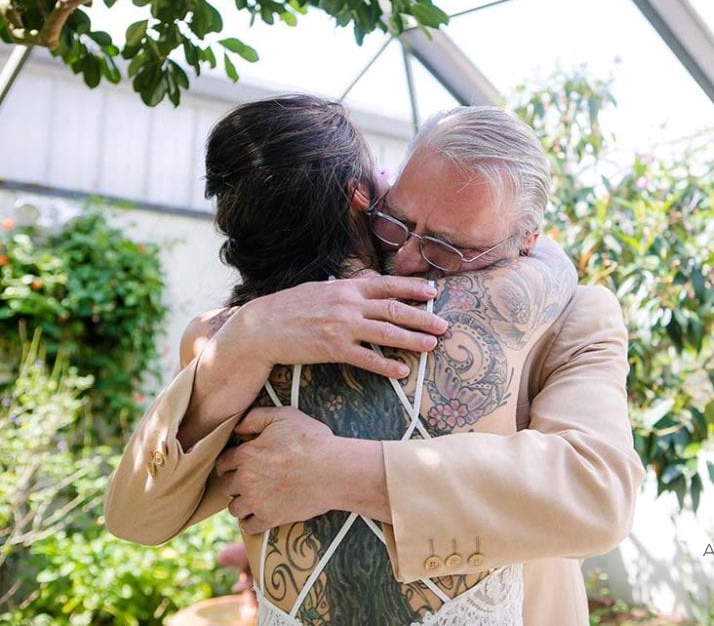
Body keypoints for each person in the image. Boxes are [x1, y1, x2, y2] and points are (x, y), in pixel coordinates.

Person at [105, 100, 644, 625]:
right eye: (396, 221)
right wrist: (249, 336)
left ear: (526, 242)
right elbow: (137, 515)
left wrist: (337, 472)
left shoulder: (575, 315)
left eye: (445, 249)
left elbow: (598, 493)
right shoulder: (240, 336)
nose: (407, 258)